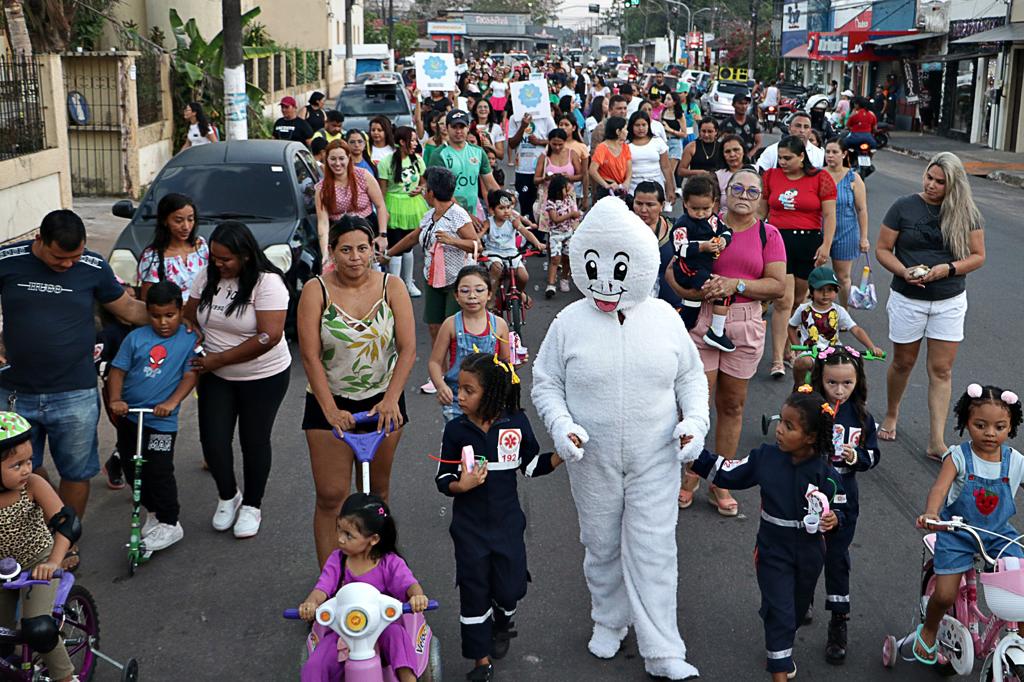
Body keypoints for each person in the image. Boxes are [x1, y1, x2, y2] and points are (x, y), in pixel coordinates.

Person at [532, 197, 709, 681]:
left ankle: (663, 648)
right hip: (593, 458)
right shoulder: (569, 322)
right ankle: (609, 619)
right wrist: (561, 425)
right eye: (594, 267)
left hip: (656, 455)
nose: (606, 281)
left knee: (654, 549)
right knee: (601, 544)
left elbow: (691, 378)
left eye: (620, 267)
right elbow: (546, 382)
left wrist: (695, 422)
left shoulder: (664, 317)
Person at [0, 210, 147, 559]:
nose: (67, 265)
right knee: (17, 470)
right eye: (59, 258)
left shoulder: (93, 266)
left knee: (77, 471)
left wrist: (182, 320)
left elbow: (128, 308)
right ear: (40, 240)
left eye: (74, 258)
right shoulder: (7, 260)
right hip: (14, 393)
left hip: (74, 393)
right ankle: (32, 536)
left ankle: (64, 545)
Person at [691, 389, 848, 681]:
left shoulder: (825, 472)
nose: (779, 430)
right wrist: (694, 454)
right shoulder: (765, 457)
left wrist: (835, 518)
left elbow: (841, 505)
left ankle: (780, 640)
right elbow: (728, 472)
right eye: (780, 421)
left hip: (810, 554)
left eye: (789, 426)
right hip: (772, 550)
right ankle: (779, 666)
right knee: (781, 613)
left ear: (811, 437)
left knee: (796, 611)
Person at [437, 352, 563, 681]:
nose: (459, 396)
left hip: (507, 526)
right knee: (474, 592)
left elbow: (531, 465)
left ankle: (503, 620)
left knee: (509, 590)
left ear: (492, 393)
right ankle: (480, 661)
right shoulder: (455, 430)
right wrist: (460, 485)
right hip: (469, 530)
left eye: (468, 390)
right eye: (458, 388)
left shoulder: (515, 424)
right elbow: (442, 479)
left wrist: (561, 455)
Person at [667, 170, 786, 516]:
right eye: (738, 188)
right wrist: (691, 292)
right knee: (696, 404)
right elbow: (673, 270)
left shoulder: (768, 234)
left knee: (733, 405)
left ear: (761, 197)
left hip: (745, 323)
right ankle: (691, 472)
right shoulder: (704, 222)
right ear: (725, 192)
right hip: (703, 318)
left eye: (752, 191)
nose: (744, 196)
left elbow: (777, 285)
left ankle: (722, 479)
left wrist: (737, 285)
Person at [297, 217, 415, 565]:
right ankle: (331, 581)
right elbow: (310, 356)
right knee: (331, 496)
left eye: (363, 248)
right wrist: (330, 410)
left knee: (376, 494)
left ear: (373, 249)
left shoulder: (392, 286)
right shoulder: (315, 290)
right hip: (329, 401)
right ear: (332, 251)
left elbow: (408, 349)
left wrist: (391, 399)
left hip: (383, 402)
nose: (355, 257)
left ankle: (375, 571)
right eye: (346, 250)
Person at [184, 221, 291, 539]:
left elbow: (269, 336)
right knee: (213, 441)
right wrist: (196, 336)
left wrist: (218, 359)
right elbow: (189, 315)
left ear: (245, 255)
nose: (218, 264)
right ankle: (228, 496)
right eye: (214, 257)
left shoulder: (267, 282)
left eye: (225, 259)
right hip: (215, 374)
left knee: (253, 441)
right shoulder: (207, 277)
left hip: (263, 376)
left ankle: (252, 505)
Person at [875, 152, 986, 458]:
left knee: (942, 370)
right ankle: (892, 412)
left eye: (940, 181)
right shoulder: (903, 206)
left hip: (949, 300)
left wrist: (948, 269)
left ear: (954, 184)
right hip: (907, 298)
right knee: (903, 362)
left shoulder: (967, 212)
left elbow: (978, 256)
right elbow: (883, 249)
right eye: (929, 177)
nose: (931, 185)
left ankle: (936, 440)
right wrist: (903, 271)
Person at [913, 384, 1023, 664]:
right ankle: (929, 628)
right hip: (958, 532)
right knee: (945, 594)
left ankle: (1020, 642)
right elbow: (940, 489)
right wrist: (932, 513)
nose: (990, 433)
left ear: (1011, 427)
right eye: (980, 425)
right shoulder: (959, 456)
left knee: (1020, 590)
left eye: (999, 427)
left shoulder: (1015, 461)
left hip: (998, 534)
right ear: (966, 422)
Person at [297, 493, 429, 682]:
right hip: (344, 630)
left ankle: (408, 679)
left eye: (348, 535)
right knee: (315, 664)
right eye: (339, 530)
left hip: (382, 627)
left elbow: (410, 584)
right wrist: (311, 603)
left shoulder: (389, 563)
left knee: (397, 636)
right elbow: (322, 588)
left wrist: (417, 597)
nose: (340, 539)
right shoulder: (338, 560)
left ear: (373, 539)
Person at [107, 280, 197, 552]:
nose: (163, 322)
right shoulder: (136, 338)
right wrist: (115, 399)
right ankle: (154, 512)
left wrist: (171, 403)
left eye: (170, 315)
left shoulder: (189, 339)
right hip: (131, 417)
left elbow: (190, 375)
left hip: (161, 422)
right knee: (132, 468)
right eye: (156, 316)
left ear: (180, 311)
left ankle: (170, 521)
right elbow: (118, 371)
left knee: (159, 469)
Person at [808, 346, 880, 663]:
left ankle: (838, 620)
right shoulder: (811, 409)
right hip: (810, 491)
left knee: (836, 557)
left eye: (847, 383)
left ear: (857, 381)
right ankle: (803, 598)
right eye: (832, 383)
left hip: (845, 496)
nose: (839, 390)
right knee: (807, 548)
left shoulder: (863, 418)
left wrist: (857, 457)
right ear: (820, 379)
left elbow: (873, 455)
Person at [0, 413, 80, 682]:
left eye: (29, 461)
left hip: (38, 563)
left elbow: (68, 524)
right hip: (2, 571)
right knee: (3, 639)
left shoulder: (32, 485)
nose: (26, 469)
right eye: (16, 465)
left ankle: (65, 677)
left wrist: (53, 562)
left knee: (38, 628)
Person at [385, 167, 479, 394]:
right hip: (433, 278)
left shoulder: (458, 215)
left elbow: (476, 244)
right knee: (435, 327)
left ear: (432, 192)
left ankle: (459, 376)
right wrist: (388, 254)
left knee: (454, 329)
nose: (422, 191)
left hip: (456, 282)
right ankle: (441, 375)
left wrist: (452, 241)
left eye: (424, 187)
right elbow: (413, 237)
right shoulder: (429, 215)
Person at [760, 136, 837, 379]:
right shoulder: (770, 176)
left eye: (788, 158)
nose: (782, 162)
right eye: (780, 157)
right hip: (777, 242)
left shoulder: (821, 178)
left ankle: (787, 349)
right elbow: (762, 211)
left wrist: (826, 245)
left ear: (802, 156)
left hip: (808, 243)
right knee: (783, 300)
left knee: (798, 301)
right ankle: (777, 360)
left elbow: (830, 215)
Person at [427, 266, 510, 422]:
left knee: (488, 437)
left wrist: (515, 365)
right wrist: (440, 386)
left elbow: (505, 363)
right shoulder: (450, 324)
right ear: (456, 296)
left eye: (479, 290)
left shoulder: (499, 325)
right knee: (458, 436)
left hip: (490, 400)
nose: (472, 296)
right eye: (465, 291)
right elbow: (435, 362)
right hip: (457, 399)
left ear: (489, 294)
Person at [787, 266, 883, 387]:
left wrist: (871, 346)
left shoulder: (839, 311)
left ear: (836, 291)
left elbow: (856, 329)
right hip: (810, 352)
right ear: (811, 291)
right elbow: (791, 327)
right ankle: (798, 386)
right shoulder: (803, 309)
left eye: (830, 290)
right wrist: (799, 349)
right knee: (802, 363)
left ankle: (849, 395)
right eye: (820, 290)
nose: (825, 294)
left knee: (851, 368)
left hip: (834, 352)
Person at [671, 175, 734, 350]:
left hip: (703, 268)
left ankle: (680, 332)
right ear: (685, 203)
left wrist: (723, 240)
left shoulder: (713, 219)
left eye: (705, 208)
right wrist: (702, 246)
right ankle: (716, 332)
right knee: (722, 291)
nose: (700, 213)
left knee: (691, 310)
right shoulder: (683, 224)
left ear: (714, 203)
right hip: (688, 269)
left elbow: (728, 231)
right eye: (695, 208)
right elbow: (678, 248)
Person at [314, 140, 389, 267]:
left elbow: (380, 206)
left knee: (373, 269)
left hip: (367, 228)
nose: (337, 163)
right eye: (333, 159)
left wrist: (383, 235)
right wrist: (325, 252)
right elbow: (323, 222)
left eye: (341, 158)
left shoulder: (363, 176)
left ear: (348, 158)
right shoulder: (322, 188)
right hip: (339, 234)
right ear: (327, 160)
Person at [378, 126, 429, 298]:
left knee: (409, 247)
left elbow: (423, 182)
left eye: (415, 140)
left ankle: (408, 282)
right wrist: (382, 212)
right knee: (396, 247)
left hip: (413, 207)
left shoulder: (418, 160)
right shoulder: (386, 162)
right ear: (401, 142)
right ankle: (394, 286)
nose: (415, 144)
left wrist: (420, 188)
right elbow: (382, 191)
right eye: (412, 140)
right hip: (394, 206)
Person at [429, 110, 500, 224]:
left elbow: (491, 184)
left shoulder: (478, 152)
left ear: (468, 127)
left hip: (473, 215)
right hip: (447, 218)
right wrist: (466, 216)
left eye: (462, 127)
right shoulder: (438, 154)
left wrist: (505, 201)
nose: (458, 131)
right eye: (454, 127)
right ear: (447, 128)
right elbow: (443, 193)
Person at [137, 193, 209, 301]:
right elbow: (147, 300)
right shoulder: (152, 257)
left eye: (190, 219)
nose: (186, 227)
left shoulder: (201, 246)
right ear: (164, 221)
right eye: (178, 221)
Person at [824, 139, 869, 304]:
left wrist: (863, 238)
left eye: (835, 152)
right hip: (820, 232)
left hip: (846, 232)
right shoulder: (818, 175)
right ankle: (813, 311)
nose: (830, 155)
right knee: (811, 274)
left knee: (843, 277)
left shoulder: (853, 178)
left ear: (844, 154)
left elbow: (861, 210)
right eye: (827, 152)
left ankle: (844, 312)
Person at [480, 190, 544, 298]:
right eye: (501, 208)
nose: (506, 211)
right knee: (496, 269)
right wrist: (476, 243)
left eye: (508, 207)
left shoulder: (513, 221)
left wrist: (537, 243)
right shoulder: (488, 222)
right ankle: (491, 297)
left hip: (511, 253)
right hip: (493, 253)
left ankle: (518, 293)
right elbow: (478, 235)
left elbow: (526, 232)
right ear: (492, 210)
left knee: (524, 277)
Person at [507, 110, 555, 222]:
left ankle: (540, 231)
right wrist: (523, 126)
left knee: (543, 205)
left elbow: (556, 140)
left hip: (542, 171)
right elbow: (512, 144)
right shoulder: (514, 118)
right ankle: (528, 231)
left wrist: (539, 141)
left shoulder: (546, 117)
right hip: (523, 170)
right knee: (526, 206)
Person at [533, 128, 581, 235]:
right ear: (549, 142)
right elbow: (535, 180)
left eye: (560, 144)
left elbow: (580, 175)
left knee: (570, 227)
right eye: (554, 144)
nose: (557, 147)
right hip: (549, 197)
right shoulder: (544, 156)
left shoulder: (572, 154)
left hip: (567, 196)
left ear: (565, 142)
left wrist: (569, 177)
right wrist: (545, 178)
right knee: (549, 229)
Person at [542, 174, 581, 299]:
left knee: (567, 257)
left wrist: (576, 216)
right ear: (558, 190)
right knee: (555, 259)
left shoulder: (569, 199)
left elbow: (576, 213)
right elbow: (555, 219)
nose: (567, 190)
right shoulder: (551, 203)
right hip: (556, 235)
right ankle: (551, 284)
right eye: (565, 188)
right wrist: (571, 214)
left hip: (568, 234)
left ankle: (564, 278)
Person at [626, 111, 674, 199]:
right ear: (631, 126)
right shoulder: (626, 145)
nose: (641, 128)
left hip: (656, 187)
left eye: (644, 125)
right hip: (633, 188)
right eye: (637, 125)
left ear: (648, 125)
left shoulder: (658, 142)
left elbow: (666, 167)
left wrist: (670, 189)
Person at [756, 112, 825, 171]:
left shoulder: (819, 155)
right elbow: (759, 173)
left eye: (806, 127)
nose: (802, 130)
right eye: (798, 126)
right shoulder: (772, 151)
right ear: (789, 129)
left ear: (810, 131)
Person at [589, 116, 631, 201]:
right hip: (607, 190)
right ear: (618, 131)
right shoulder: (602, 147)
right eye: (625, 129)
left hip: (620, 188)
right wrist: (606, 185)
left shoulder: (625, 147)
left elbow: (629, 169)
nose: (627, 132)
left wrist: (627, 182)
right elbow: (592, 170)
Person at [557, 114, 591, 209]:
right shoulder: (554, 145)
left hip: (575, 190)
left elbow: (585, 174)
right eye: (561, 124)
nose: (563, 127)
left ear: (574, 128)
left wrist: (585, 198)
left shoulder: (581, 147)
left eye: (566, 125)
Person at [719, 92, 761, 157]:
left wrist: (750, 155)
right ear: (733, 105)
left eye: (745, 103)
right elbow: (719, 142)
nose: (743, 106)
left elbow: (758, 143)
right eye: (740, 103)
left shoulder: (753, 121)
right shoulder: (726, 123)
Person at [715, 134, 748, 203]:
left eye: (736, 150)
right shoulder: (717, 176)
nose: (732, 154)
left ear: (743, 151)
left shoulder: (756, 171)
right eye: (727, 151)